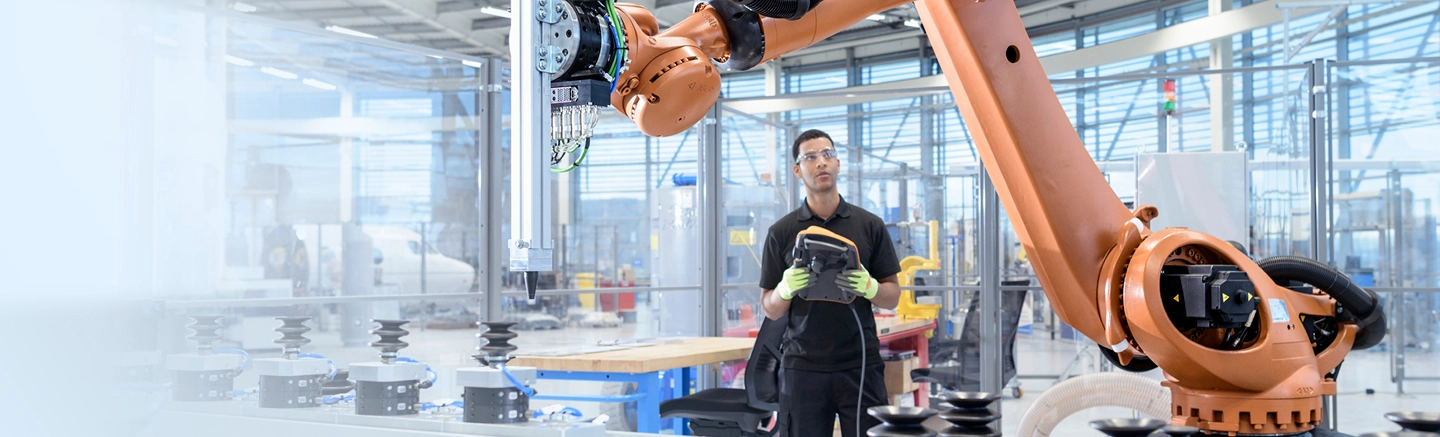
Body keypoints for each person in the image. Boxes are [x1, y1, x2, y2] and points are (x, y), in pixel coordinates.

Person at [759, 129, 903, 437]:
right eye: (810, 157)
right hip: (803, 366)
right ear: (798, 170)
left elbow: (893, 296)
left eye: (827, 154)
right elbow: (770, 308)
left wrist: (872, 288)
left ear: (838, 163)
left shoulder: (869, 225)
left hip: (860, 363)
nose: (821, 162)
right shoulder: (781, 232)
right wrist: (784, 289)